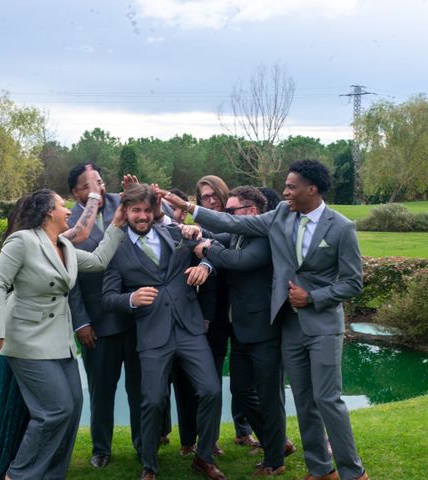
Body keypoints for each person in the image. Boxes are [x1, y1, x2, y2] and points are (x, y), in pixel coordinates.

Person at [158, 160, 369, 480]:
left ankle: (353, 472)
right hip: (289, 324)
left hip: (323, 325)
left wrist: (313, 297)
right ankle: (321, 469)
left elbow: (353, 283)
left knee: (328, 399)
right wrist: (189, 207)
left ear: (312, 189)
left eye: (291, 186)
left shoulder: (341, 227)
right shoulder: (282, 214)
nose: (284, 191)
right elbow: (234, 224)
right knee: (303, 401)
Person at [0, 186, 126, 480]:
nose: (69, 210)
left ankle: (50, 475)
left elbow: (98, 261)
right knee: (54, 410)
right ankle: (18, 475)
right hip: (27, 340)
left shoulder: (65, 247)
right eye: (63, 206)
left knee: (72, 407)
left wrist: (117, 225)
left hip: (60, 342)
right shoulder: (22, 242)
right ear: (48, 211)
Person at [102, 183, 225, 480]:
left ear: (153, 211)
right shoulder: (114, 250)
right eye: (136, 211)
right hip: (152, 334)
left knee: (211, 390)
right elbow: (107, 298)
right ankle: (149, 465)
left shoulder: (175, 233)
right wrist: (130, 299)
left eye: (146, 210)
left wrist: (205, 264)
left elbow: (214, 251)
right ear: (126, 213)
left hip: (189, 328)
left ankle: (204, 457)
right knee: (153, 400)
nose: (142, 216)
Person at [194, 186, 293, 476]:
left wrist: (209, 249)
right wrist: (192, 234)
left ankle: (275, 461)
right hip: (240, 330)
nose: (226, 216)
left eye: (230, 211)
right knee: (240, 390)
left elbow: (239, 261)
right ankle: (277, 443)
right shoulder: (238, 234)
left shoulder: (264, 236)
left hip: (264, 331)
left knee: (269, 398)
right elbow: (218, 237)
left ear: (250, 211)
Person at [66, 162, 143, 468]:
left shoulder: (123, 203)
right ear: (75, 192)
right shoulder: (67, 222)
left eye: (99, 180)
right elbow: (68, 277)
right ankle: (101, 449)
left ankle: (143, 444)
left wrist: (138, 193)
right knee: (101, 392)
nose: (97, 187)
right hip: (96, 323)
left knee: (140, 390)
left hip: (135, 314)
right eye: (88, 184)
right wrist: (80, 321)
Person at [196, 175, 258, 452]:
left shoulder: (240, 224)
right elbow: (204, 246)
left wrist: (209, 256)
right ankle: (209, 438)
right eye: (203, 197)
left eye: (213, 195)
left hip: (243, 308)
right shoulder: (202, 227)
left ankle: (243, 430)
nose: (210, 200)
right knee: (212, 375)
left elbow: (218, 247)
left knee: (244, 376)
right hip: (216, 308)